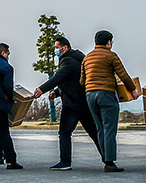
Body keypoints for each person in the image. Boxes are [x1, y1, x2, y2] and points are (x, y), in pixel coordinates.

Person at [34, 36, 103, 170]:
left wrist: (42, 89)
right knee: (94, 132)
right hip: (83, 102)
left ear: (65, 48)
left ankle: (65, 162)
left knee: (64, 132)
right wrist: (57, 92)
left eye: (57, 47)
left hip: (72, 103)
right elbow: (70, 82)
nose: (56, 50)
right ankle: (108, 159)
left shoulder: (68, 61)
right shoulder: (77, 59)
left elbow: (58, 77)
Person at [80, 29, 140, 172]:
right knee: (109, 128)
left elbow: (82, 80)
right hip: (105, 94)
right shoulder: (111, 56)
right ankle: (109, 162)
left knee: (100, 128)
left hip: (90, 95)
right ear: (108, 43)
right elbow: (123, 75)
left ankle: (105, 157)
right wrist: (133, 90)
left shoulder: (87, 58)